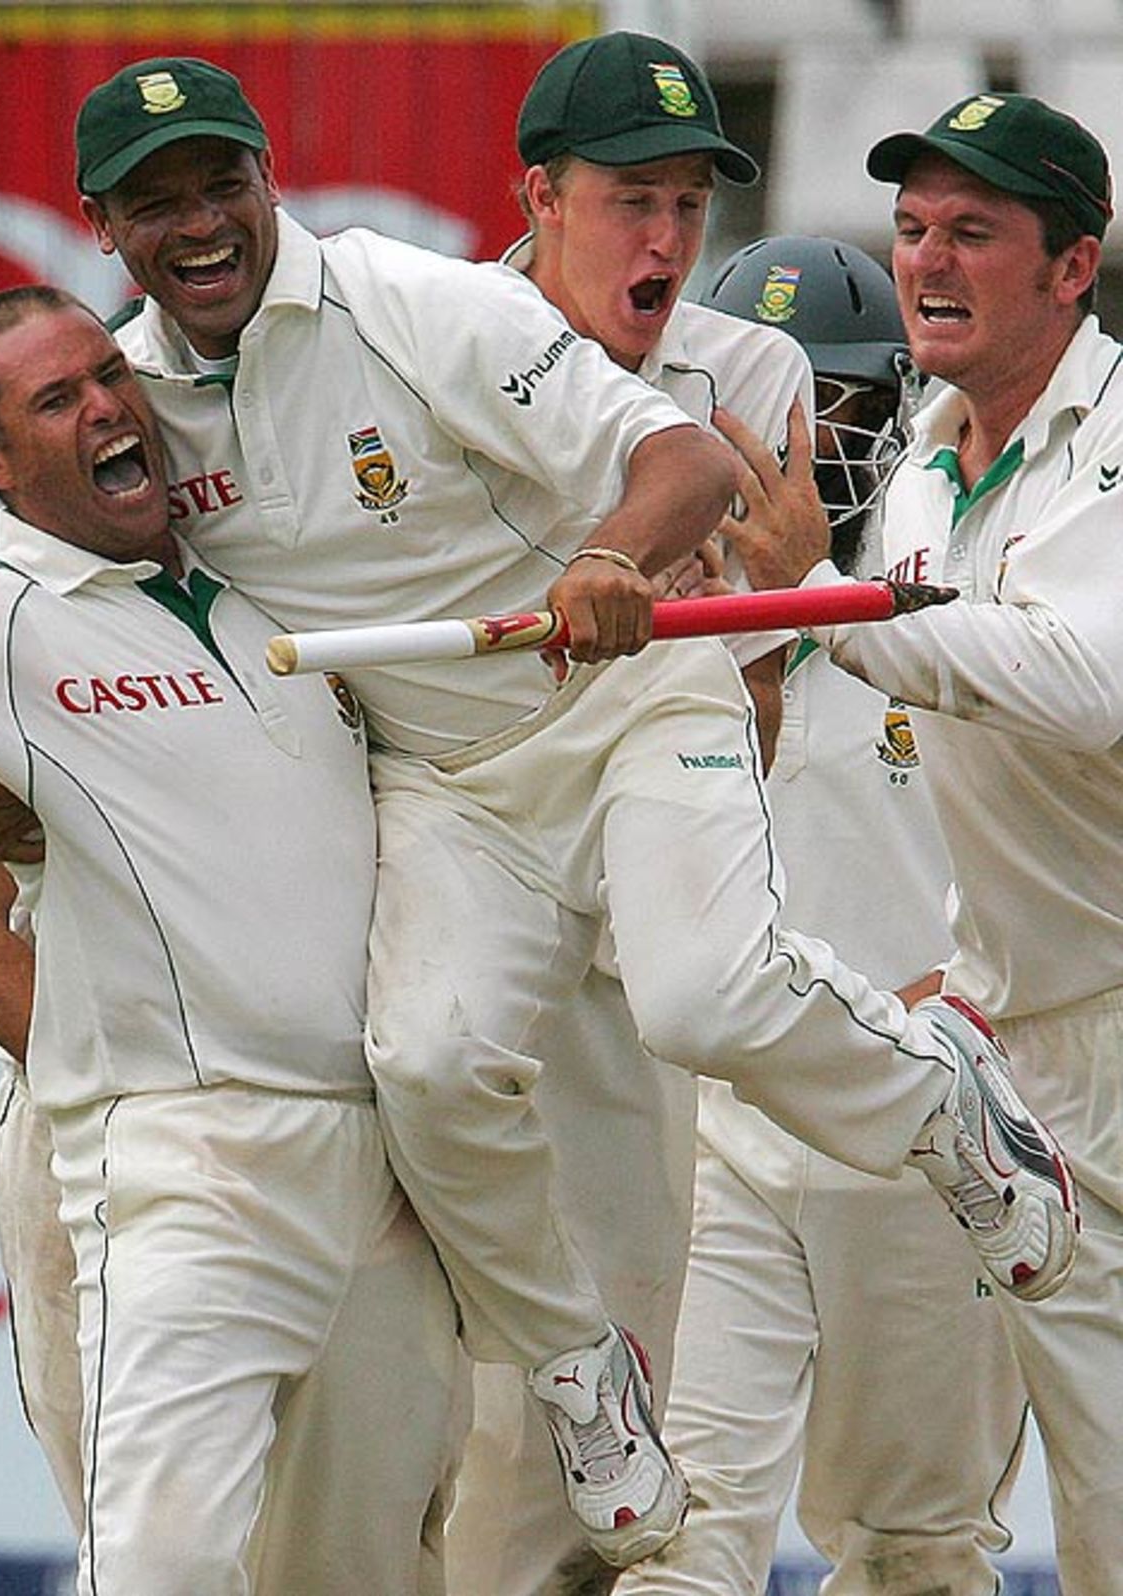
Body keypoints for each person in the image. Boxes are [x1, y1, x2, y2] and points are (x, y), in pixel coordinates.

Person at [0, 52, 1079, 1573]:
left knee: (704, 994)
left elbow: (671, 462)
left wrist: (611, 560)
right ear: (105, 227)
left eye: (223, 183)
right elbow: (49, 533)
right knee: (436, 1063)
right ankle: (574, 1365)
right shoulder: (134, 398)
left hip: (618, 707)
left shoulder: (411, 302)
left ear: (272, 179)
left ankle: (947, 1109)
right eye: (158, 204)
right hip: (446, 793)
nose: (199, 222)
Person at [0, 285, 462, 1596]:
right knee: (163, 1562)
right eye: (58, 398)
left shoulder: (287, 602)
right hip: (175, 1153)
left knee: (366, 1570)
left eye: (112, 374)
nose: (109, 405)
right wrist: (113, 1059)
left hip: (382, 1155)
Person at [718, 95, 1123, 1595]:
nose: (930, 262)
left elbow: (1084, 688)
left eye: (975, 232)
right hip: (1017, 1065)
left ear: (1072, 265)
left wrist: (814, 605)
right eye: (912, 231)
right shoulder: (924, 471)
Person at [445, 36, 813, 1595]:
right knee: (415, 1439)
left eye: (688, 206)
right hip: (443, 901)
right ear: (538, 194)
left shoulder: (753, 378)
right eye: (629, 202)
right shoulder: (413, 343)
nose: (666, 241)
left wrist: (779, 612)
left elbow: (766, 727)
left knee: (595, 1461)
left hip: (627, 973)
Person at [617, 235, 1030, 1596]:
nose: (781, 457)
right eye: (738, 424)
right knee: (681, 1535)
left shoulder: (963, 589)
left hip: (926, 1124)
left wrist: (810, 604)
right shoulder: (639, 610)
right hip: (716, 1127)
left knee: (915, 1550)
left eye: (828, 411)